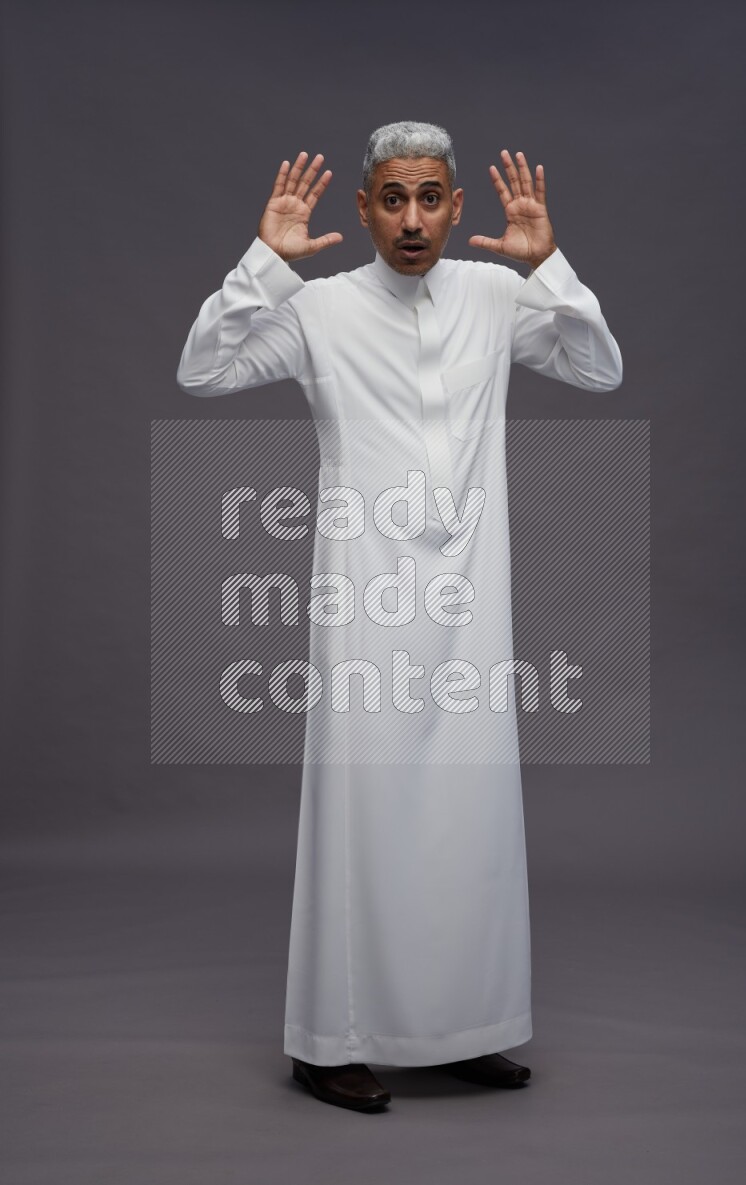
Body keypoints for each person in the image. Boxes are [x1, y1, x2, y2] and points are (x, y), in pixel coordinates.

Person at [177, 121, 622, 1112]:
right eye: (392, 198)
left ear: (455, 208)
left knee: (468, 814)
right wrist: (263, 264)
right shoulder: (320, 310)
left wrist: (548, 267)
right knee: (362, 811)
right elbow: (202, 369)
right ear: (364, 207)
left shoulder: (494, 295)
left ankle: (461, 1028)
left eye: (429, 199)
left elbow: (598, 368)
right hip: (364, 595)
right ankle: (328, 1040)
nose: (412, 219)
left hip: (470, 600)